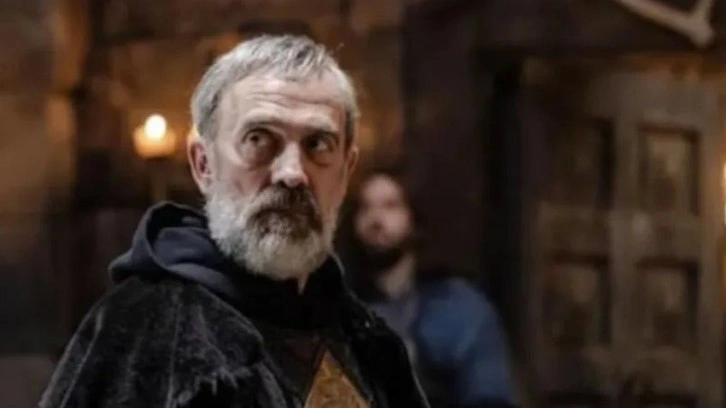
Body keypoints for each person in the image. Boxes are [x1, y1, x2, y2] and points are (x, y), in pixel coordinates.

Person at [40, 35, 429, 408]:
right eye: (259, 139)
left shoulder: (366, 340)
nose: (292, 173)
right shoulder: (144, 331)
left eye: (318, 144)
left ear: (346, 170)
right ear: (203, 164)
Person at [349, 167, 516, 408]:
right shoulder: (339, 308)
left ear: (414, 220)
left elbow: (489, 396)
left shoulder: (460, 309)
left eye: (390, 206)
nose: (375, 219)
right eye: (365, 208)